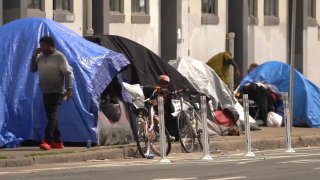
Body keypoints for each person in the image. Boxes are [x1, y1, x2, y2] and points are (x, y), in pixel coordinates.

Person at [30, 36, 73, 150]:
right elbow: (33, 69)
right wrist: (34, 55)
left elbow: (68, 73)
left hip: (57, 92)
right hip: (45, 91)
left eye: (43, 45)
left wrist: (69, 89)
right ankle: (58, 142)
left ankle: (47, 141)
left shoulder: (59, 56)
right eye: (41, 46)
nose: (41, 48)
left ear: (50, 45)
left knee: (52, 116)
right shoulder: (41, 57)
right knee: (51, 117)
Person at [142, 75, 179, 141]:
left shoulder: (167, 93)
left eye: (166, 83)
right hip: (153, 113)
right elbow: (145, 89)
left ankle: (171, 136)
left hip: (164, 115)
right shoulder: (153, 90)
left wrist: (165, 99)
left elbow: (171, 109)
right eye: (163, 82)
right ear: (158, 82)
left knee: (175, 120)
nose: (164, 85)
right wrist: (156, 89)